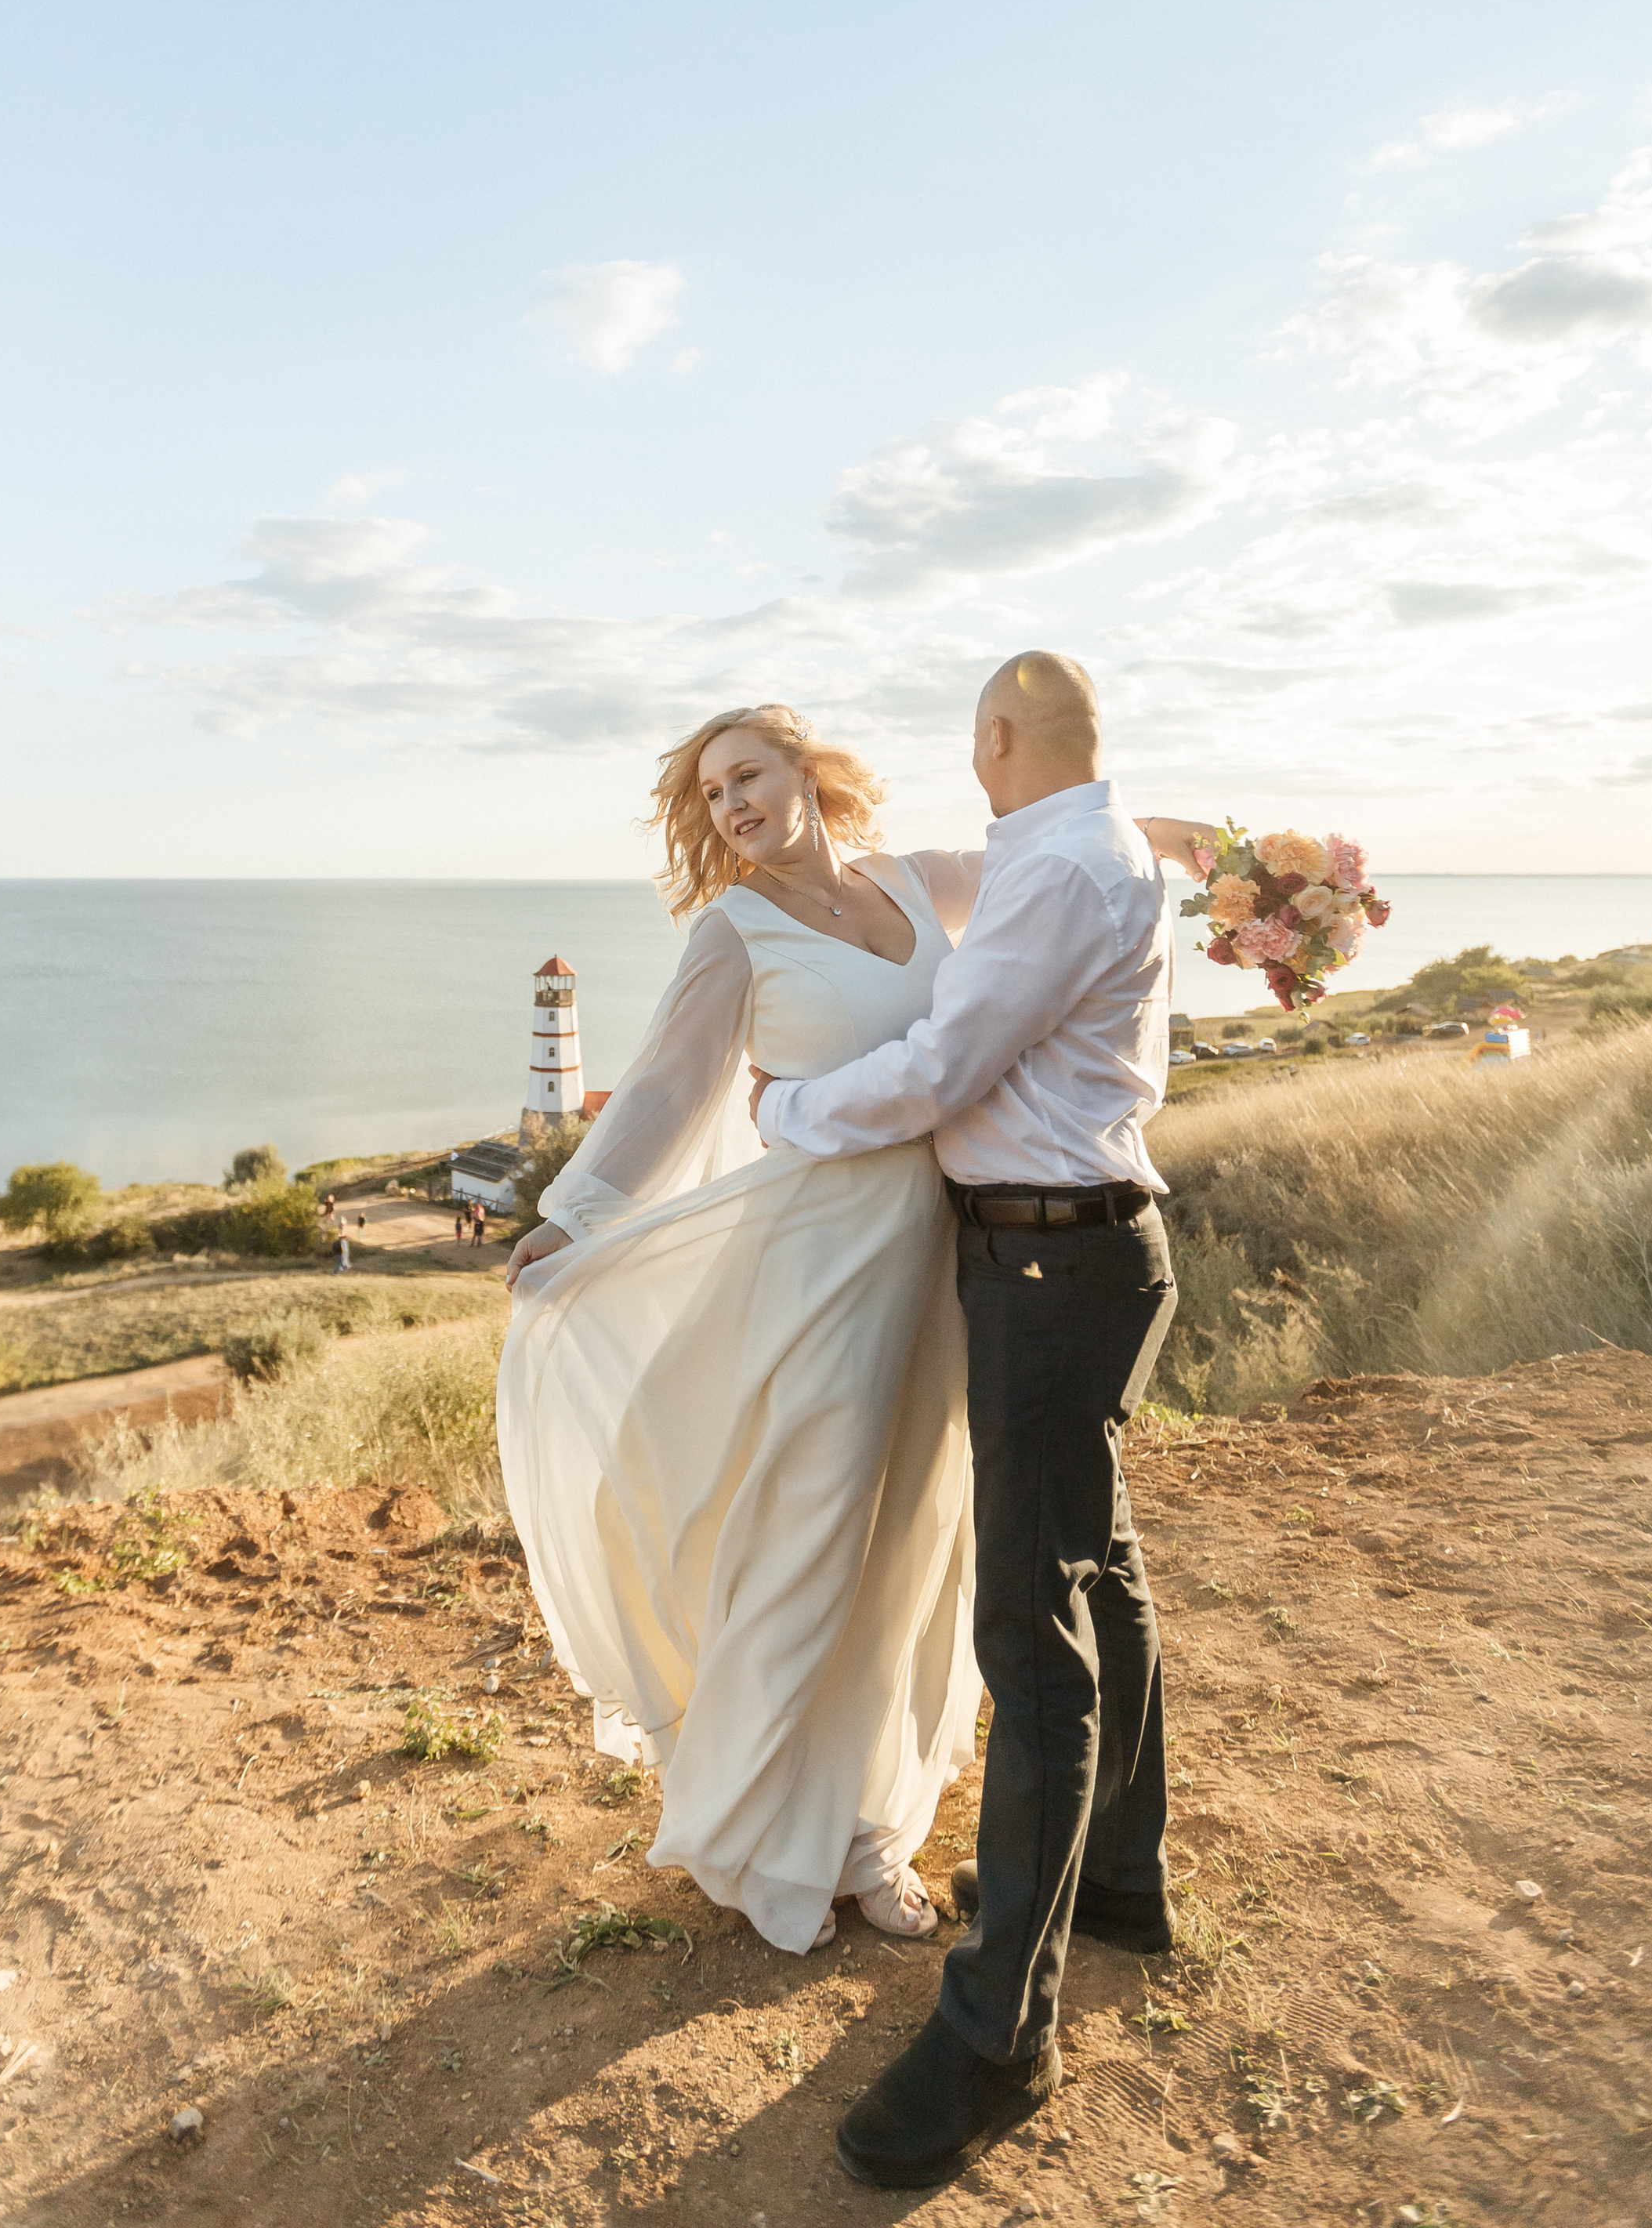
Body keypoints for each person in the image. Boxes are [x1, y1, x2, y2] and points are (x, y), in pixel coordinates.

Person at [499, 696, 1207, 1966]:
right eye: (712, 794)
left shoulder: (914, 879)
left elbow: (1046, 865)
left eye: (747, 775)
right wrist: (573, 1218)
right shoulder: (734, 931)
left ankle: (872, 1832)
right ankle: (770, 1833)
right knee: (812, 1541)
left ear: (805, 770)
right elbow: (667, 1086)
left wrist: (1163, 836)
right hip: (818, 1269)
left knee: (914, 1552)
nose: (731, 806)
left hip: (944, 1267)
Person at [748, 654, 1196, 2192]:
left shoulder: (1060, 868)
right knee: (1099, 1572)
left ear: (997, 737)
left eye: (973, 742)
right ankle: (1121, 1880)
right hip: (1082, 1253)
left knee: (1033, 1635)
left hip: (1047, 1267)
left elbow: (943, 1068)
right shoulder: (1084, 845)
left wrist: (783, 1110)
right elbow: (960, 877)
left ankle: (1000, 2032)